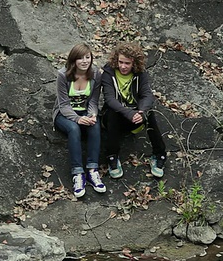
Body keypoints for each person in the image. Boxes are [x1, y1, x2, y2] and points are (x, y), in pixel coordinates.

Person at [101, 42, 167, 179]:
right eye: (121, 62)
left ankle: (159, 154)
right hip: (114, 118)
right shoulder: (108, 72)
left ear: (134, 63)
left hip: (135, 118)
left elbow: (147, 95)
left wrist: (141, 112)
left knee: (150, 112)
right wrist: (128, 113)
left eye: (127, 63)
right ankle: (112, 156)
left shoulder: (140, 73)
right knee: (114, 112)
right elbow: (109, 99)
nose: (123, 66)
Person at [52, 43, 106, 198]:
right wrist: (77, 118)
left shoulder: (96, 74)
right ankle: (77, 173)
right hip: (64, 114)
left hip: (84, 111)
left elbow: (94, 101)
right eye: (80, 58)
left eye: (87, 57)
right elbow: (63, 104)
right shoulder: (63, 75)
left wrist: (92, 115)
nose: (84, 61)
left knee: (95, 125)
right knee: (74, 129)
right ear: (73, 60)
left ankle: (92, 170)